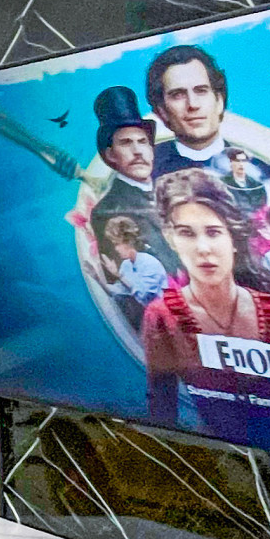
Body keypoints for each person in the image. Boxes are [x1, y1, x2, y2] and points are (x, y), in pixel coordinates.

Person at [141, 170, 270, 455]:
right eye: (186, 233)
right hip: (217, 471)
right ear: (170, 238)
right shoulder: (162, 317)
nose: (203, 249)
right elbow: (162, 417)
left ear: (232, 236)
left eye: (213, 232)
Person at [86, 83, 180, 273]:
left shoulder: (174, 190)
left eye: (142, 142)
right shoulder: (107, 212)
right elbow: (122, 279)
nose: (137, 151)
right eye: (126, 143)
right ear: (111, 154)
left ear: (151, 150)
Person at [145, 44, 235, 178]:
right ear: (161, 110)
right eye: (178, 95)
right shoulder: (144, 172)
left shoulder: (257, 173)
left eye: (201, 91)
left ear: (219, 101)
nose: (193, 104)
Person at [97, 213, 168, 330]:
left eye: (117, 244)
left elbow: (144, 295)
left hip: (165, 320)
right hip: (149, 320)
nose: (116, 249)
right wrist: (96, 278)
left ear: (128, 242)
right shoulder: (126, 266)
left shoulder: (149, 262)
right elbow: (118, 291)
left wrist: (119, 276)